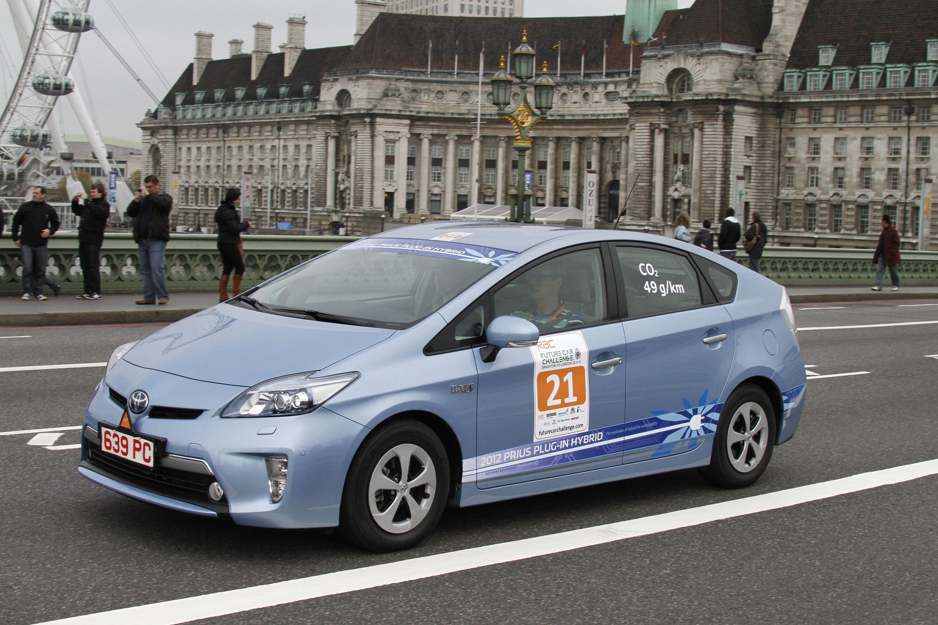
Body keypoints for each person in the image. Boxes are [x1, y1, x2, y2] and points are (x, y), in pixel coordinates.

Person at [127, 175, 172, 305]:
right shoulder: (144, 199)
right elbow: (130, 213)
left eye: (150, 187)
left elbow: (162, 205)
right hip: (142, 239)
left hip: (157, 239)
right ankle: (149, 297)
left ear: (157, 185)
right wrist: (136, 201)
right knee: (146, 270)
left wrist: (148, 196)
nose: (148, 189)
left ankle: (163, 296)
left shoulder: (165, 198)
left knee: (157, 267)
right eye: (146, 187)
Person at [11, 186, 60, 301]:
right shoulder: (25, 207)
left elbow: (56, 223)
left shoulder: (49, 209)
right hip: (26, 243)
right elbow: (15, 222)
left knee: (40, 269)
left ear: (43, 195)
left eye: (37, 193)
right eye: (34, 193)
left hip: (41, 243)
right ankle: (27, 291)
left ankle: (38, 292)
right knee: (27, 268)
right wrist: (15, 238)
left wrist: (49, 231)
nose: (34, 195)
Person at [513, 263, 584, 331]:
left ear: (557, 283)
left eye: (540, 277)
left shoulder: (572, 321)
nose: (533, 282)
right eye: (531, 277)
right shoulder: (519, 313)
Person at [71, 182, 110, 300]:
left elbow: (97, 211)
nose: (91, 193)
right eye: (91, 191)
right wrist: (74, 201)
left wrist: (86, 200)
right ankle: (87, 290)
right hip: (84, 238)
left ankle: (96, 291)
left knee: (93, 266)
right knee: (85, 266)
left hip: (93, 240)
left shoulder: (104, 205)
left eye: (93, 192)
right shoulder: (89, 205)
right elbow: (77, 211)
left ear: (100, 193)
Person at [215, 188, 250, 302]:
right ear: (234, 199)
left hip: (222, 242)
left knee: (227, 268)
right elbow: (234, 229)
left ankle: (223, 295)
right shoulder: (229, 211)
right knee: (240, 267)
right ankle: (236, 294)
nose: (238, 201)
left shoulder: (221, 209)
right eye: (238, 199)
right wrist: (245, 224)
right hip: (230, 242)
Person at [872, 214, 901, 291]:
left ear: (884, 221)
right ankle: (878, 285)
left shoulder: (893, 231)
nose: (880, 223)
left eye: (881, 221)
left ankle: (896, 284)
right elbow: (880, 244)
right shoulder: (884, 231)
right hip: (882, 254)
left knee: (893, 271)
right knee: (880, 270)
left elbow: (896, 244)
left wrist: (892, 252)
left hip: (890, 255)